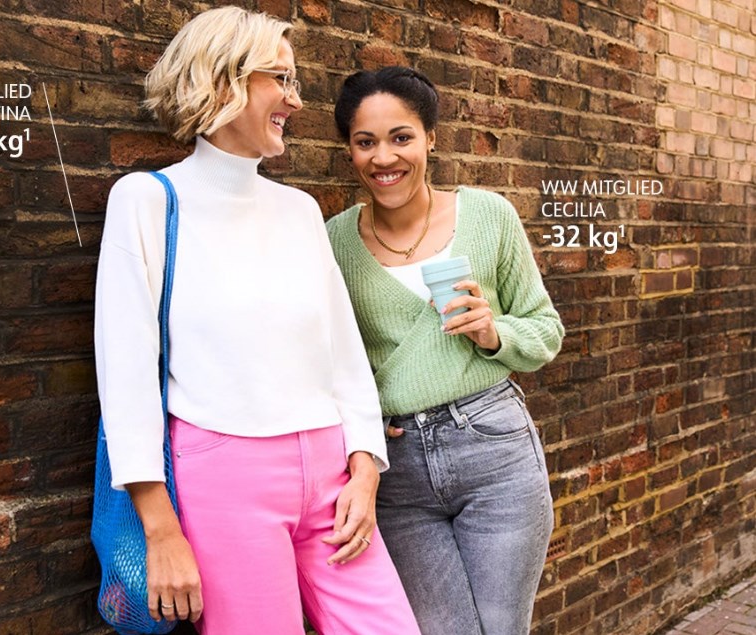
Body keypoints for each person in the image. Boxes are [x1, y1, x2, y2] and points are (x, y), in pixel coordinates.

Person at [94, 9, 420, 635]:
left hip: (332, 473)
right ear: (224, 81)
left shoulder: (299, 210)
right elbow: (126, 375)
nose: (296, 101)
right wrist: (160, 529)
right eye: (282, 79)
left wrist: (365, 464)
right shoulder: (147, 201)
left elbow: (342, 351)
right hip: (224, 476)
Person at [326, 66, 565, 635]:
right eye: (366, 142)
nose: (384, 158)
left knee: (503, 628)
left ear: (430, 138)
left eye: (401, 137)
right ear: (350, 151)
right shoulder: (332, 240)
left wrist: (493, 331)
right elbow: (327, 358)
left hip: (494, 449)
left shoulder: (489, 216)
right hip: (397, 469)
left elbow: (546, 330)